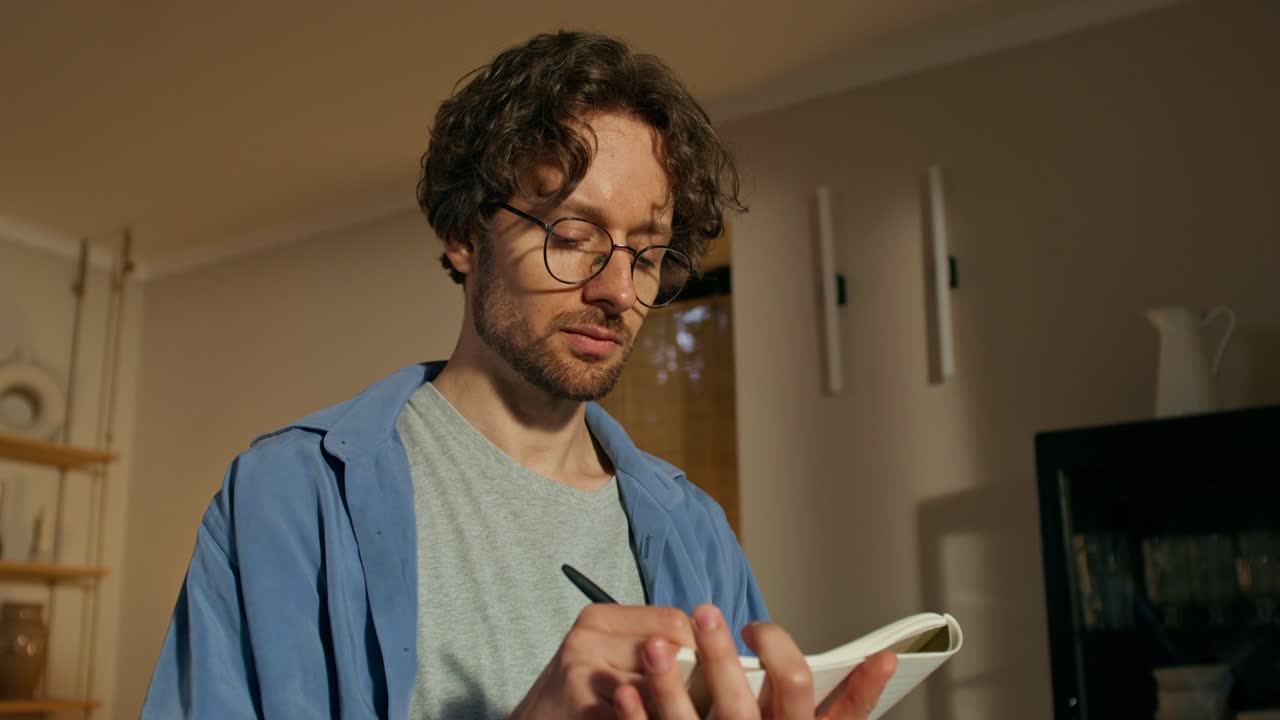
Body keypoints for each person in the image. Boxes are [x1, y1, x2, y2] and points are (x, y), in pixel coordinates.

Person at [142, 30, 896, 719]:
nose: (618, 291)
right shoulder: (287, 499)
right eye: (574, 236)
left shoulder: (698, 534)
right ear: (467, 233)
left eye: (645, 253)